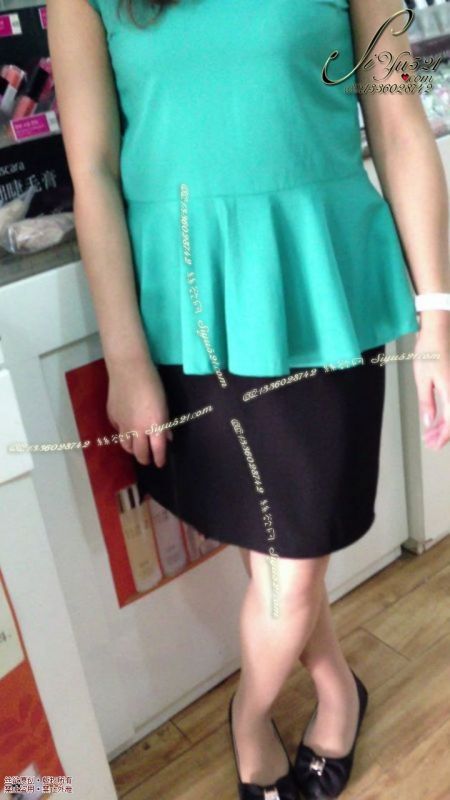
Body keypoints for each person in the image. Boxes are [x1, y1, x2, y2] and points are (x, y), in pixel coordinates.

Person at [47, 0, 450, 797]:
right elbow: (91, 167)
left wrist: (437, 313)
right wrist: (125, 356)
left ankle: (249, 712)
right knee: (272, 551)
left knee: (290, 563)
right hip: (187, 301)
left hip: (318, 284)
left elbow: (397, 115)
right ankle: (334, 684)